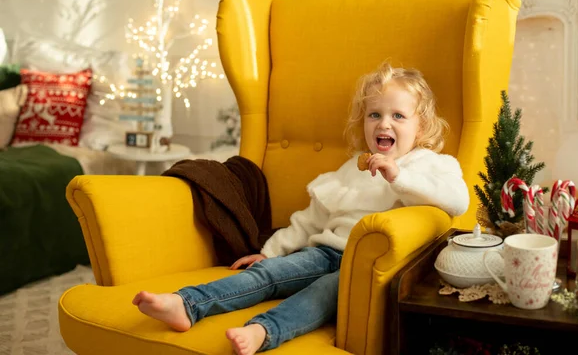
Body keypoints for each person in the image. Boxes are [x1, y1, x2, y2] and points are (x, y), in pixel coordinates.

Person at [132, 62, 470, 355]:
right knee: (267, 275)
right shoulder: (353, 166)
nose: (384, 124)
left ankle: (262, 331)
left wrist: (400, 176)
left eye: (398, 115)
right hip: (324, 251)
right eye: (375, 114)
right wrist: (270, 251)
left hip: (362, 269)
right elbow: (311, 219)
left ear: (421, 127)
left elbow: (457, 201)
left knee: (321, 293)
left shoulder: (430, 163)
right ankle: (186, 304)